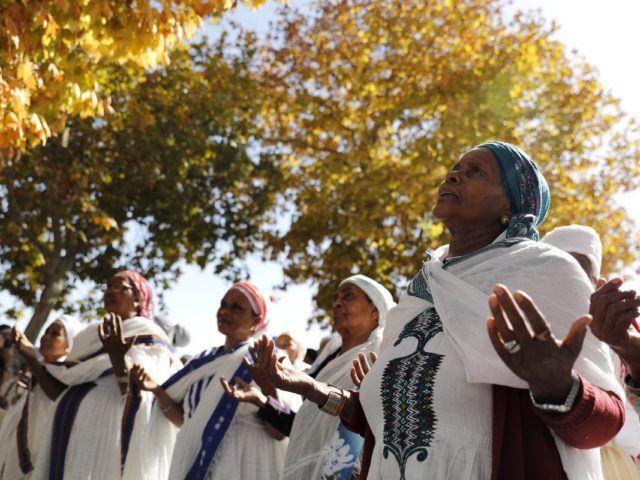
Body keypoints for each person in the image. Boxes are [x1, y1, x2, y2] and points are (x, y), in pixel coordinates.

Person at [254, 141, 624, 479]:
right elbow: (389, 428)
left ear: (511, 203)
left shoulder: (547, 271)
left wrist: (558, 385)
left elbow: (605, 425)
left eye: (476, 171)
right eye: (455, 168)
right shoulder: (420, 291)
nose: (453, 174)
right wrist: (304, 386)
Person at [226, 274, 395, 479]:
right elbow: (303, 428)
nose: (338, 303)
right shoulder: (324, 364)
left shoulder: (384, 357)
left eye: (348, 296)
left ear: (375, 311)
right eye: (336, 298)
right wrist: (261, 398)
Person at [130, 281, 298, 480]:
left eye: (236, 307)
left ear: (256, 319)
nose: (225, 312)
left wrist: (264, 392)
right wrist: (157, 390)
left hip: (246, 461)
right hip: (194, 457)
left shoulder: (269, 358)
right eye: (223, 304)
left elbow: (280, 432)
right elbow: (186, 420)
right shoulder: (202, 361)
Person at [30, 270, 180, 480]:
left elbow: (145, 397)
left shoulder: (150, 335)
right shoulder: (89, 335)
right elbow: (65, 380)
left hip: (106, 430)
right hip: (68, 429)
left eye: (118, 287)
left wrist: (118, 359)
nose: (110, 291)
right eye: (108, 286)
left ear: (137, 299)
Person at [544, 225, 640, 479]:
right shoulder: (526, 326)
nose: (566, 278)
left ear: (597, 284)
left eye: (577, 269)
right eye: (556, 268)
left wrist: (625, 343)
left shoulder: (620, 328)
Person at [0, 315, 81, 480]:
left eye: (55, 334)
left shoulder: (69, 374)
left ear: (69, 345)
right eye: (46, 331)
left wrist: (31, 357)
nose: (47, 337)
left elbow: (56, 396)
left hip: (40, 456)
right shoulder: (35, 369)